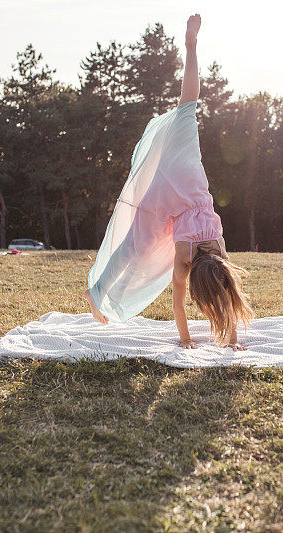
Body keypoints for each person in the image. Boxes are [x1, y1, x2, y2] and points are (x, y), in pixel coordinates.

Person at [84, 14, 253, 351]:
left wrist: (227, 340)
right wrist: (187, 340)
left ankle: (191, 44)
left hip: (186, 171)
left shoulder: (219, 248)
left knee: (187, 104)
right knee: (136, 248)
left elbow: (227, 297)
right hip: (166, 193)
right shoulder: (187, 257)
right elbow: (180, 302)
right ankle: (96, 293)